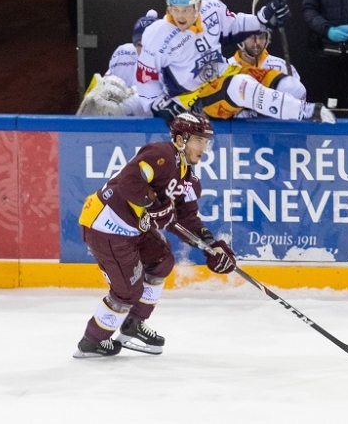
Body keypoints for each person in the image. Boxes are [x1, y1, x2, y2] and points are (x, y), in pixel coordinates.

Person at [73, 112, 236, 358]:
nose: (204, 148)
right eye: (198, 140)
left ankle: (133, 324)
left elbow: (187, 218)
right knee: (127, 293)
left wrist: (212, 246)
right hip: (106, 225)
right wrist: (154, 204)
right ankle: (92, 341)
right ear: (180, 140)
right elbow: (129, 181)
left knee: (162, 260)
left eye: (206, 141)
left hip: (134, 228)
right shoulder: (161, 154)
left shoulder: (189, 179)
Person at [133, 0, 334, 124]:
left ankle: (272, 130)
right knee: (242, 86)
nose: (180, 16)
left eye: (186, 9)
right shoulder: (157, 34)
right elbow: (144, 76)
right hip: (195, 99)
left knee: (293, 88)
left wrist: (263, 17)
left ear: (199, 4)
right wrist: (160, 104)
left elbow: (235, 25)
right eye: (175, 9)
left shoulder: (211, 6)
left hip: (223, 76)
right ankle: (308, 112)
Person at [195, 25, 310, 119]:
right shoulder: (225, 68)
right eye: (251, 37)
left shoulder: (282, 66)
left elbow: (299, 100)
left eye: (261, 37)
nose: (257, 42)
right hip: (240, 135)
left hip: (275, 132)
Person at [77, 10, 159, 116]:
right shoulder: (124, 54)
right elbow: (104, 88)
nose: (144, 51)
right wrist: (94, 106)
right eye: (139, 45)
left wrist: (127, 101)